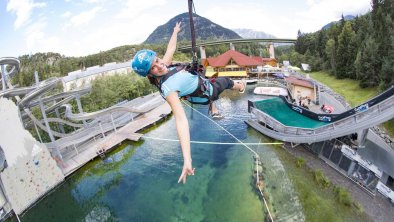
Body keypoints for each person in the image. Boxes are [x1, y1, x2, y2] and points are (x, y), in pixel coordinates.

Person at [131, 22, 246, 184]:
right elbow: (180, 120)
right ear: (150, 75)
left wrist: (175, 32)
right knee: (226, 81)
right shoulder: (169, 89)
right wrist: (187, 159)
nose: (159, 65)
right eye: (154, 68)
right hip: (207, 91)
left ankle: (213, 107)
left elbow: (170, 49)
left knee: (206, 75)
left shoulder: (164, 66)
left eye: (157, 60)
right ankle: (240, 87)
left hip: (200, 85)